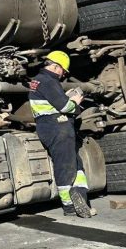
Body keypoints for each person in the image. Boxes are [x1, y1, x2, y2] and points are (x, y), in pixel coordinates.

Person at [29, 50, 97, 218]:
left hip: (48, 127)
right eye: (63, 71)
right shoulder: (49, 82)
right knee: (65, 167)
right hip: (58, 127)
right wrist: (75, 102)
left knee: (77, 165)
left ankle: (80, 196)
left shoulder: (37, 81)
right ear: (56, 67)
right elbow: (65, 107)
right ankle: (69, 206)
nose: (63, 75)